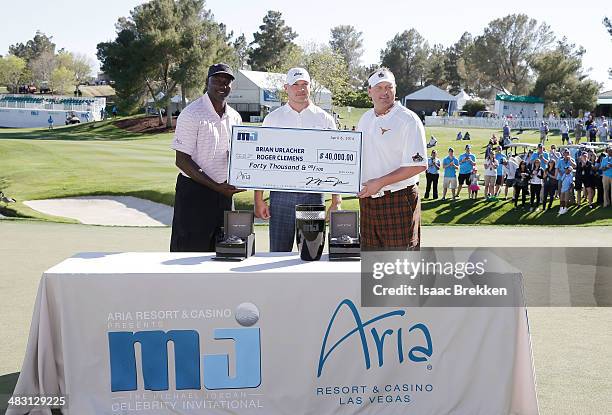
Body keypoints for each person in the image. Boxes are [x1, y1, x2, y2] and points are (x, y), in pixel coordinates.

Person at [254, 68, 341, 252]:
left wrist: (336, 200)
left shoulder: (325, 119)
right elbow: (261, 160)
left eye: (305, 84)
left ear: (310, 86)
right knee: (278, 252)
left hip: (313, 195)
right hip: (280, 196)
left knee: (311, 253)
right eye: (295, 85)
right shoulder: (273, 119)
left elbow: (335, 163)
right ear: (286, 88)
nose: (301, 89)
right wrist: (258, 199)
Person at [169, 63, 244, 252]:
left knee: (225, 249)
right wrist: (216, 187)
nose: (222, 85)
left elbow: (237, 154)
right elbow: (182, 160)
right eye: (217, 80)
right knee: (190, 250)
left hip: (224, 193)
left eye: (226, 82)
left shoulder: (234, 117)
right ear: (207, 82)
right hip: (195, 193)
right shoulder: (191, 113)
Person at [356, 68, 427, 249]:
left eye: (389, 87)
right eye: (379, 88)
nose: (384, 92)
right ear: (369, 91)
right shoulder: (365, 119)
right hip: (368, 201)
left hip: (398, 200)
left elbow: (418, 165)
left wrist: (380, 182)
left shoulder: (408, 120)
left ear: (395, 89)